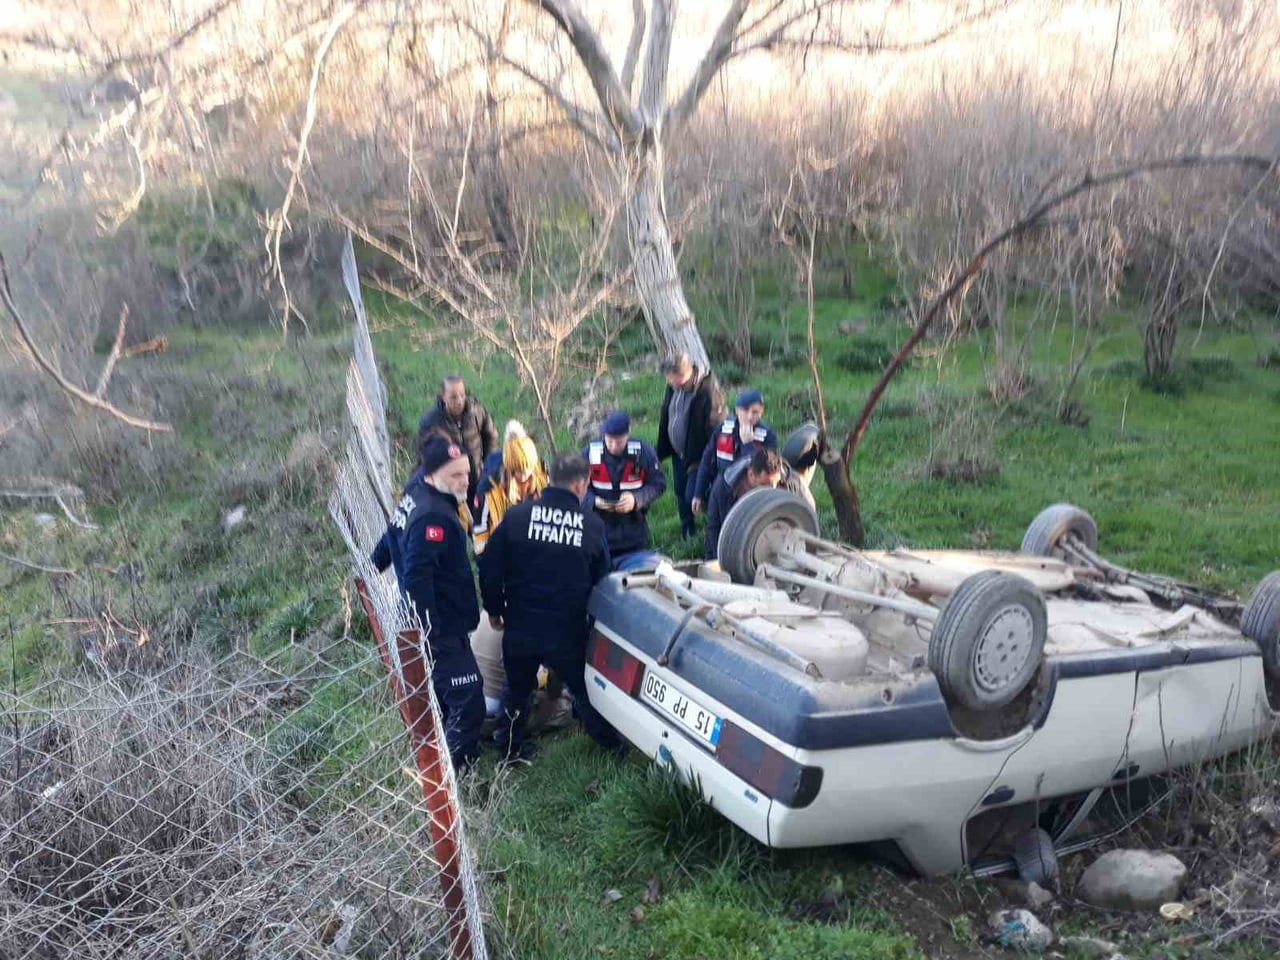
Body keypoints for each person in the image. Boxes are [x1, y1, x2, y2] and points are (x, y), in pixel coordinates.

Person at [479, 453, 623, 763]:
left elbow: (488, 566)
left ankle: (509, 750)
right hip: (568, 632)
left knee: (517, 691)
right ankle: (611, 747)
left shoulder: (516, 517)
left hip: (520, 626)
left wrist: (494, 609)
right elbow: (604, 584)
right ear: (580, 485)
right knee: (585, 691)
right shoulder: (592, 527)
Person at [369, 435, 486, 770]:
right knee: (469, 698)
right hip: (439, 626)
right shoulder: (433, 518)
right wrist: (430, 633)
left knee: (443, 694)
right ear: (434, 475)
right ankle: (448, 772)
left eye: (466, 473)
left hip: (428, 624)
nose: (465, 481)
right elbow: (419, 577)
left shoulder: (416, 489)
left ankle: (461, 758)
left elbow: (392, 530)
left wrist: (373, 565)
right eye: (456, 476)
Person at [583, 410, 666, 572]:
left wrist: (636, 499)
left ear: (628, 435)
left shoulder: (643, 452)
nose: (614, 446)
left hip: (633, 533)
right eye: (610, 441)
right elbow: (574, 488)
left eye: (619, 441)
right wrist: (594, 501)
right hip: (599, 533)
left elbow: (658, 483)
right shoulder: (590, 454)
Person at [656, 353, 724, 540]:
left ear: (680, 375)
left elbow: (716, 431)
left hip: (699, 457)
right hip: (679, 453)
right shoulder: (673, 388)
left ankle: (717, 529)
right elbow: (666, 417)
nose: (667, 382)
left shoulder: (708, 393)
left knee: (694, 495)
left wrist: (709, 463)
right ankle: (688, 532)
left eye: (669, 377)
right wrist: (661, 452)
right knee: (680, 491)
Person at [418, 374, 498, 510]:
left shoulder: (477, 411)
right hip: (450, 487)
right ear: (443, 397)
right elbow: (424, 457)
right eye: (453, 397)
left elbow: (490, 436)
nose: (459, 401)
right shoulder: (431, 421)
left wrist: (489, 468)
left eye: (462, 394)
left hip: (477, 480)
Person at [691, 388, 777, 515]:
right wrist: (698, 493)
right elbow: (706, 462)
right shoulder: (723, 430)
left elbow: (766, 469)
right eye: (745, 411)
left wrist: (748, 444)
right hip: (721, 491)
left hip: (749, 496)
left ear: (762, 412)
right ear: (737, 411)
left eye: (755, 412)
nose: (749, 417)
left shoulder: (767, 436)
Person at [472, 420, 548, 556]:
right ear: (510, 468)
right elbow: (480, 535)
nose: (525, 475)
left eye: (529, 468)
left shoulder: (544, 477)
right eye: (519, 470)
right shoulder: (488, 490)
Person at [704, 447, 784, 560]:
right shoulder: (723, 487)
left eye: (776, 484)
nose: (772, 490)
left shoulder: (786, 483)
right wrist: (720, 561)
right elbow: (713, 528)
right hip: (728, 549)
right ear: (751, 474)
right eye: (765, 484)